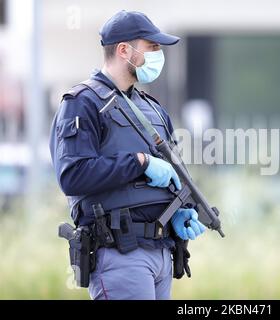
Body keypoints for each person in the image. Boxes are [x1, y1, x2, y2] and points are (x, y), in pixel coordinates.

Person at [49, 10, 206, 300]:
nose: (159, 55)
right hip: (120, 254)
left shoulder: (153, 109)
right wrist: (140, 163)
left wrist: (178, 209)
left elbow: (174, 172)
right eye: (153, 47)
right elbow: (73, 176)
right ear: (124, 50)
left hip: (162, 255)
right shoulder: (81, 104)